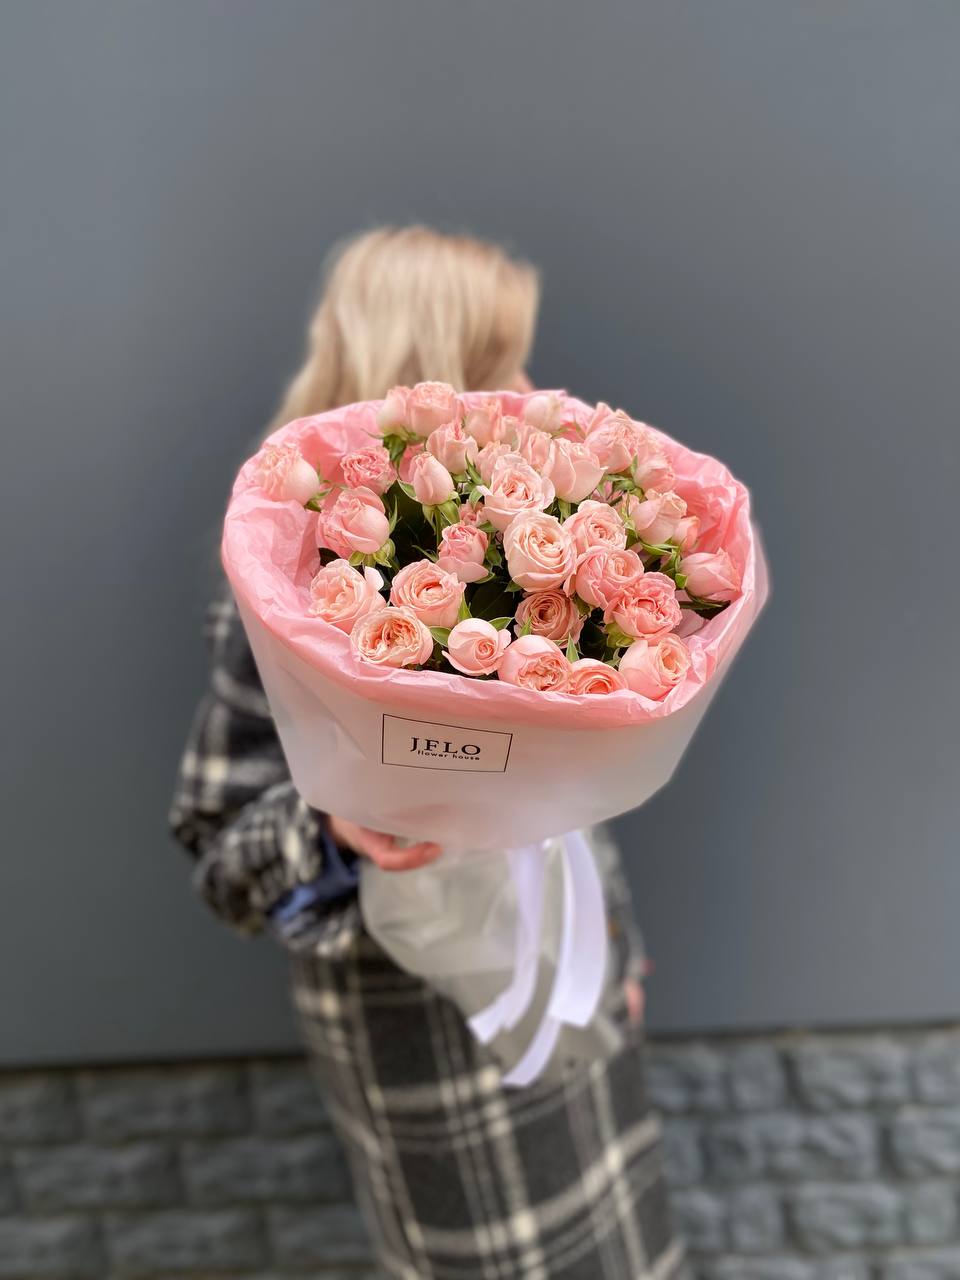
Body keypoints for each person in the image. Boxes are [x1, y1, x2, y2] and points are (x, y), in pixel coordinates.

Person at [170, 225, 687, 1280]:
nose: (531, 391)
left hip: (572, 1004)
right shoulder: (279, 587)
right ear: (434, 372)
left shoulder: (531, 560)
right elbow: (221, 850)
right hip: (436, 1056)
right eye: (505, 365)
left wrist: (615, 952)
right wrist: (334, 821)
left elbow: (562, 799)